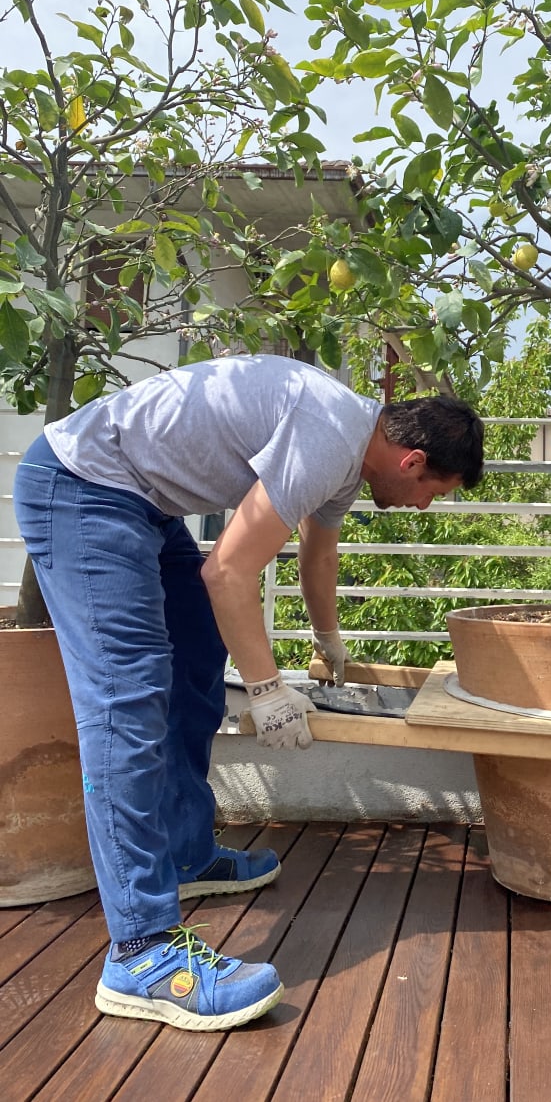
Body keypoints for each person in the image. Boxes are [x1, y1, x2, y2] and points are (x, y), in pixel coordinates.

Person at [13, 354, 484, 1030]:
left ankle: (181, 850)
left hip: (139, 498)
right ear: (412, 462)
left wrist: (330, 642)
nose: (424, 505)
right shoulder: (328, 434)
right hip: (83, 485)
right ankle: (141, 952)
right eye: (434, 491)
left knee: (200, 649)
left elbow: (318, 556)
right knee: (129, 693)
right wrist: (267, 689)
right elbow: (229, 570)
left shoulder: (353, 448)